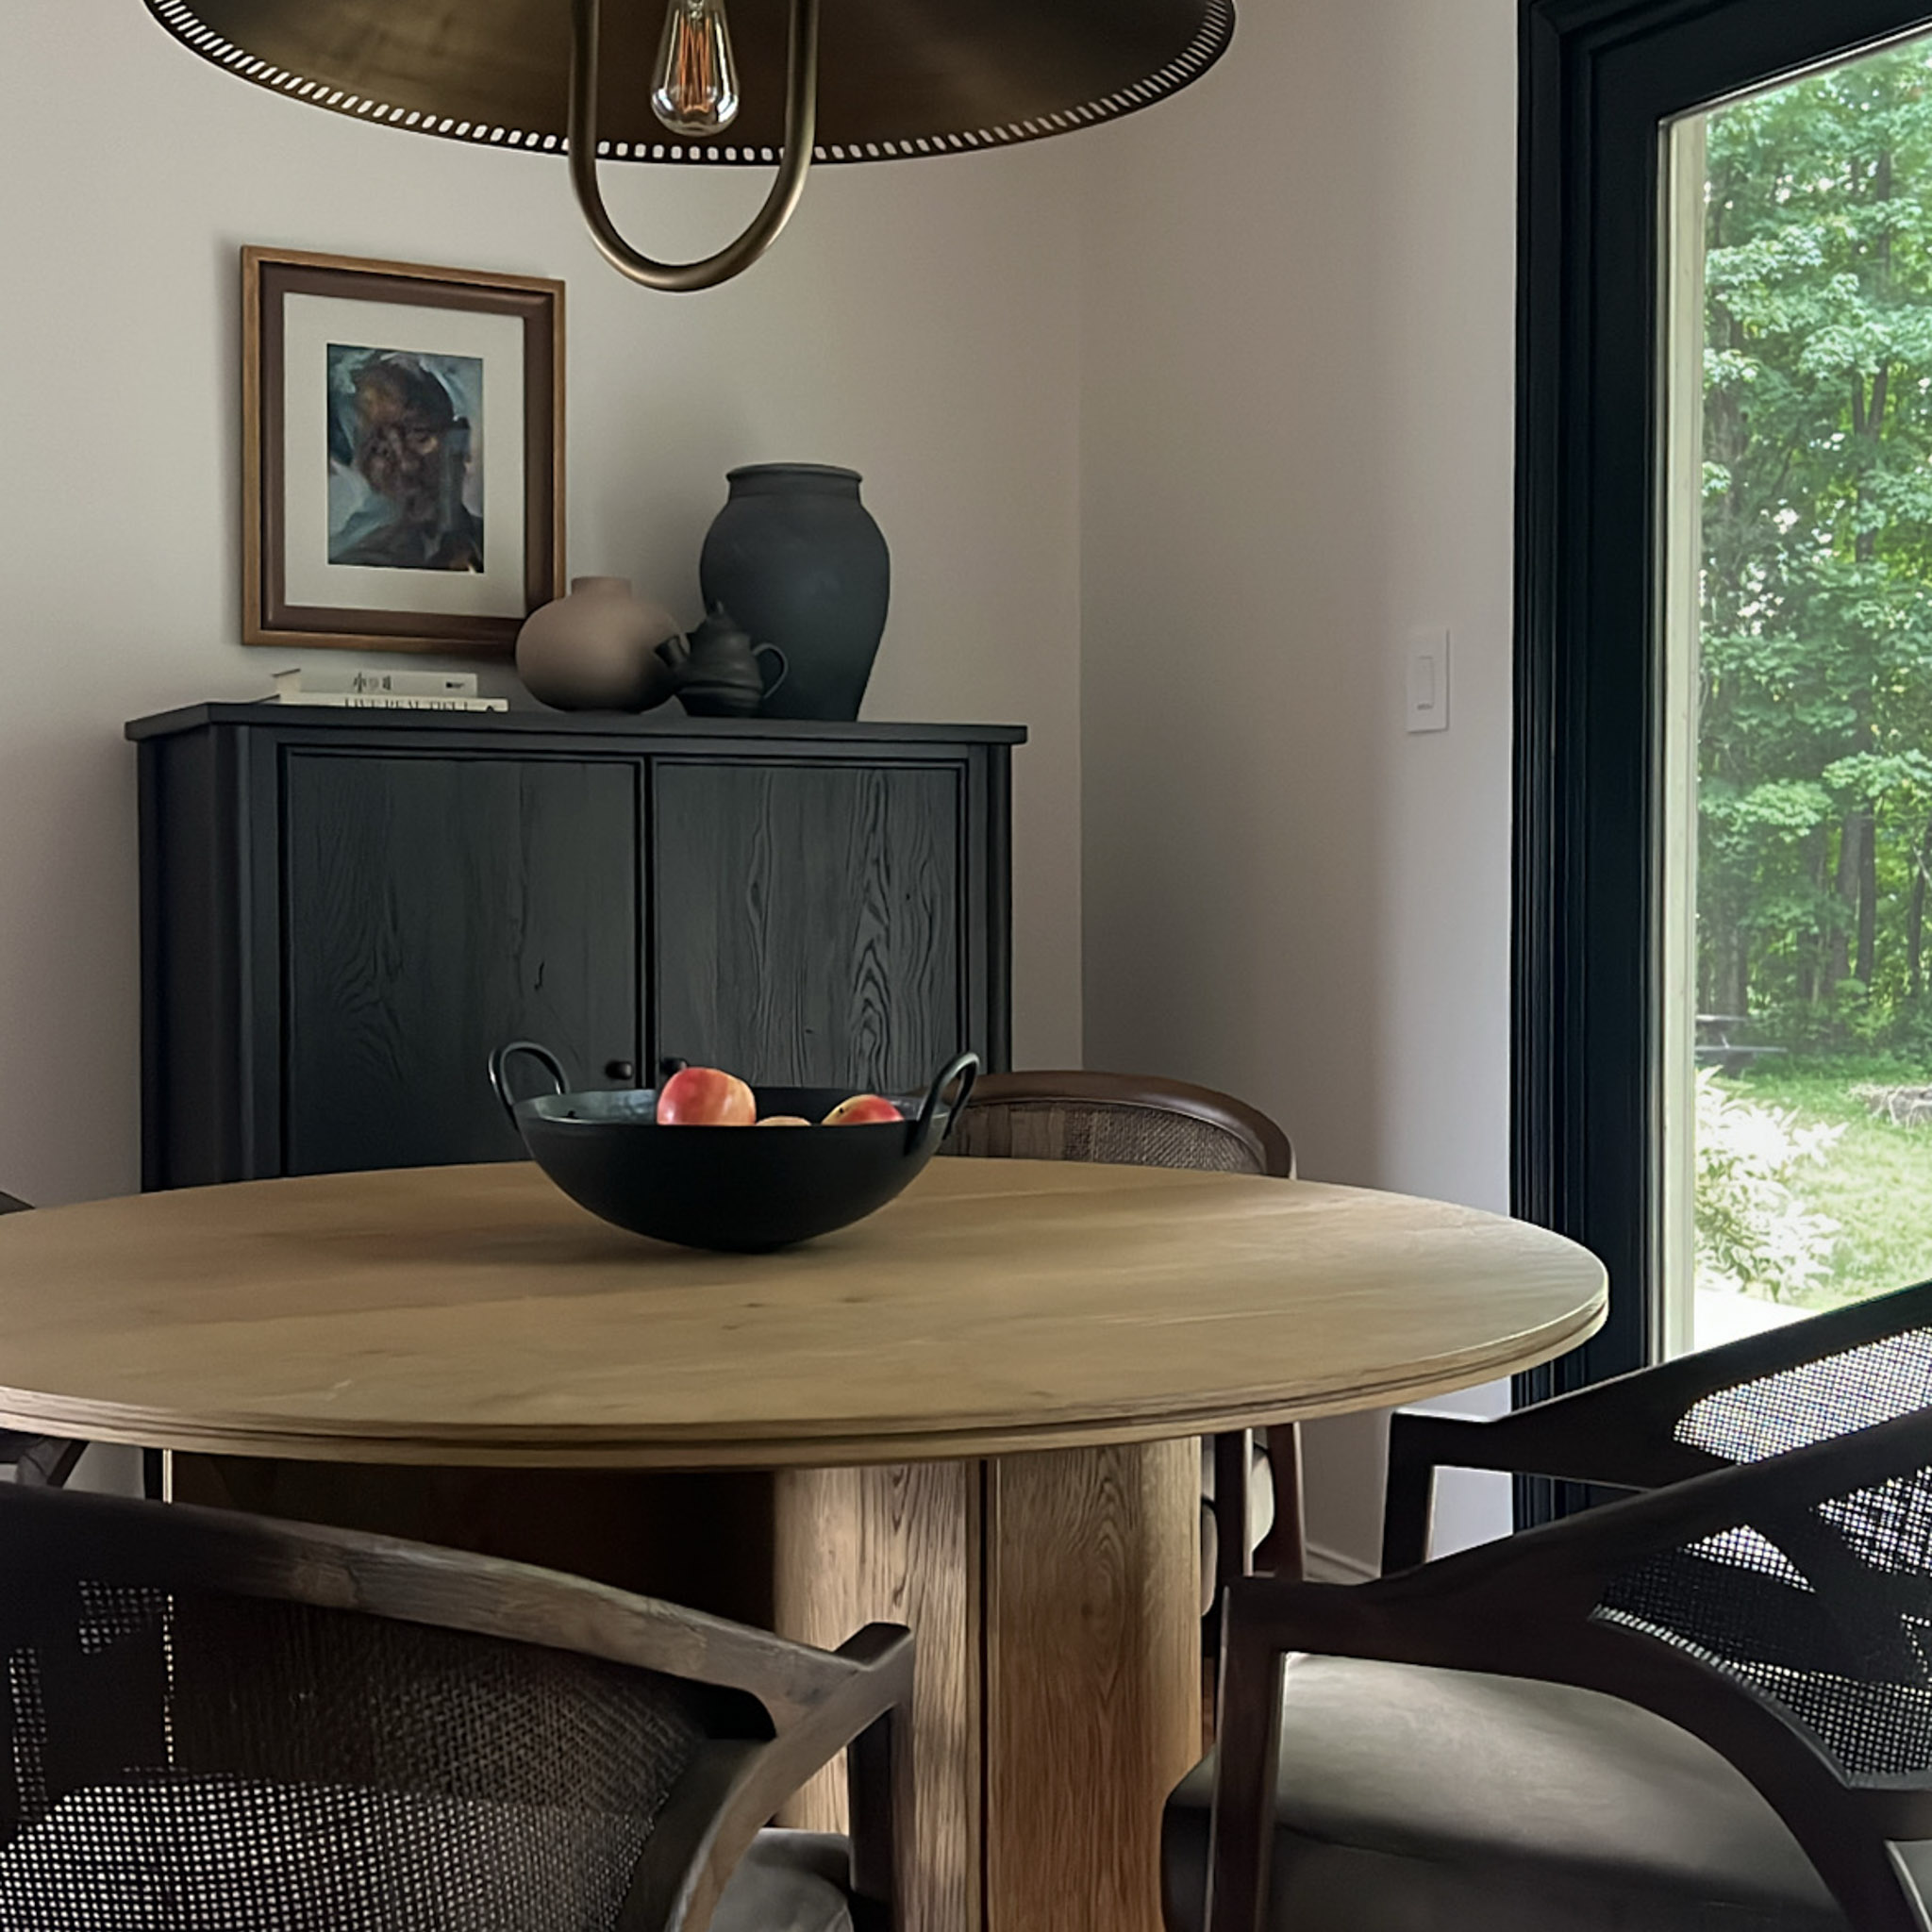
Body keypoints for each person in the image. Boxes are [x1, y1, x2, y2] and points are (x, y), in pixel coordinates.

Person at [328, 353, 483, 573]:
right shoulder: (359, 565)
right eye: (380, 450)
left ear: (459, 438)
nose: (407, 464)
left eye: (419, 434)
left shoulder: (496, 551)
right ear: (363, 470)